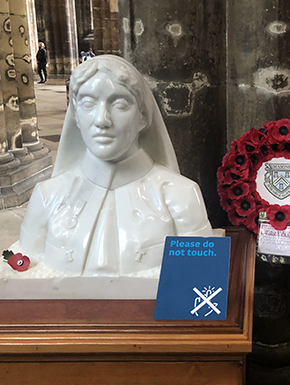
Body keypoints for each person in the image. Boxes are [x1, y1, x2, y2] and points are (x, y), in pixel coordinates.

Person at [19, 55, 212, 278]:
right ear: (76, 117)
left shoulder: (180, 196)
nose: (102, 120)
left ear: (143, 117)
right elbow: (26, 275)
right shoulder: (47, 196)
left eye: (120, 104)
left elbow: (198, 278)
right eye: (88, 103)